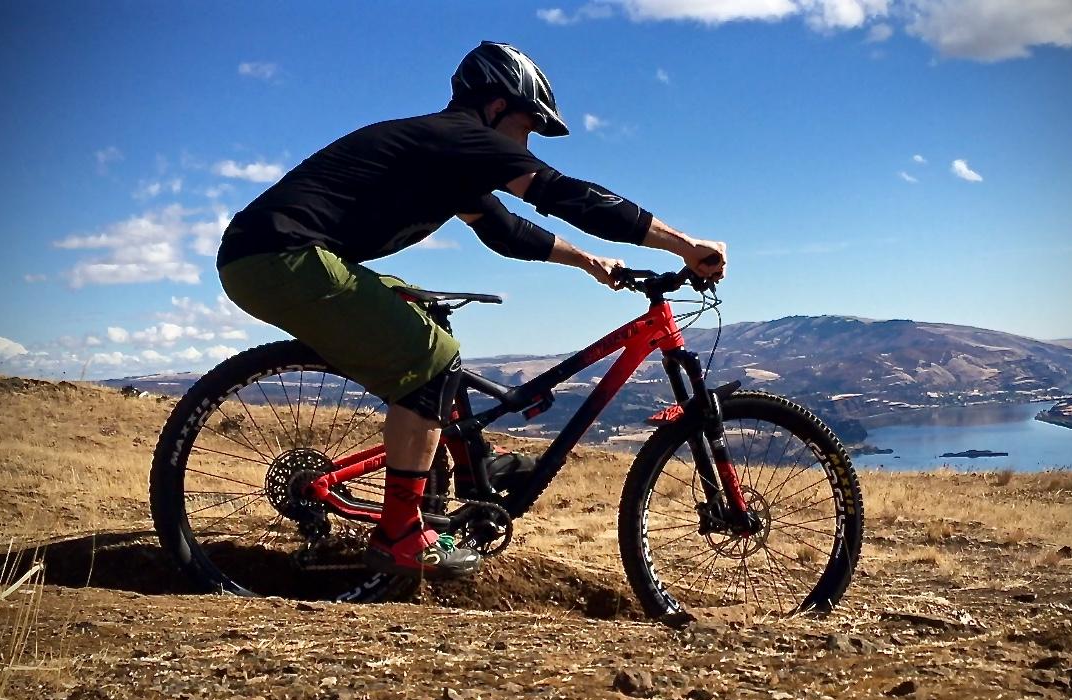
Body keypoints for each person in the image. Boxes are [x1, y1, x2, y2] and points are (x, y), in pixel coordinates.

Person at [217, 41, 726, 579]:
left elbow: (506, 233)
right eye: (529, 125)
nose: (528, 141)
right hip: (279, 256)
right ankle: (400, 536)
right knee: (430, 355)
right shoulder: (462, 138)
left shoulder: (450, 159)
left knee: (428, 323)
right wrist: (683, 244)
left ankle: (470, 467)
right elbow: (565, 194)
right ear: (497, 106)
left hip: (274, 255)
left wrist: (586, 262)